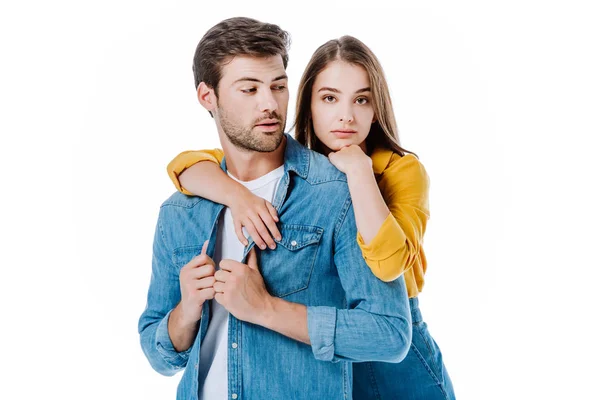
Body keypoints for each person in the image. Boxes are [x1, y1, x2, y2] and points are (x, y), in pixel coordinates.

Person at [138, 17, 413, 400]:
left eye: (278, 87)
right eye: (249, 89)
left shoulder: (338, 193)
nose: (269, 104)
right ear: (207, 96)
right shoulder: (179, 211)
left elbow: (391, 334)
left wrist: (266, 309)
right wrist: (186, 310)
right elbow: (159, 355)